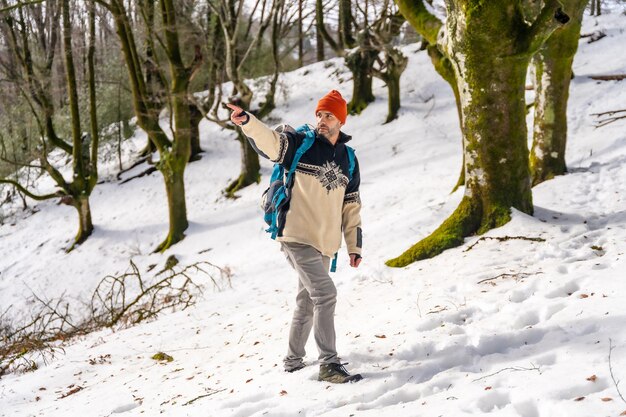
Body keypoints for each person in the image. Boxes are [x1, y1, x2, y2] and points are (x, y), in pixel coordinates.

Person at [227, 90, 363, 383]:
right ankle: (329, 363)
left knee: (307, 299)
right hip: (296, 236)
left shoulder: (349, 159)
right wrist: (248, 122)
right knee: (325, 294)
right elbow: (271, 143)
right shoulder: (300, 144)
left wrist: (354, 246)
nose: (322, 121)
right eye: (319, 115)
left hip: (326, 243)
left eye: (328, 116)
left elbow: (351, 206)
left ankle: (292, 361)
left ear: (340, 120)